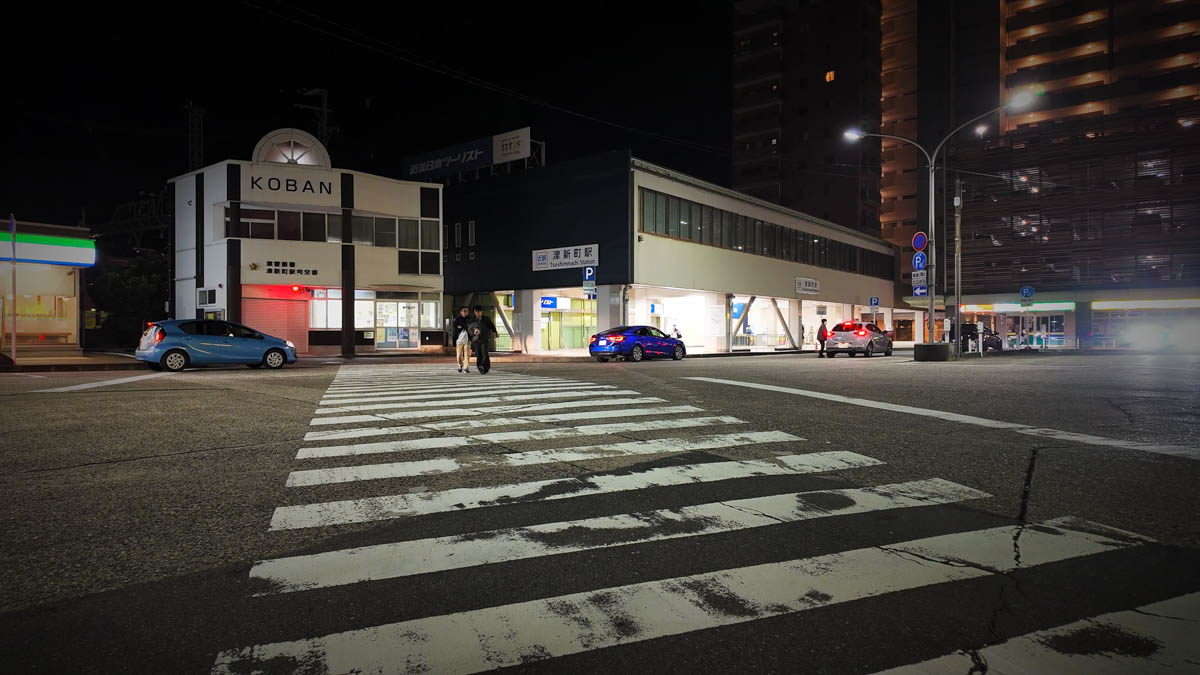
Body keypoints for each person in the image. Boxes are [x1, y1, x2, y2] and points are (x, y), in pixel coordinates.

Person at [468, 305, 498, 374]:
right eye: (476, 312)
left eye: (479, 312)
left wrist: (495, 332)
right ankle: (480, 367)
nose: (477, 313)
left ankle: (485, 366)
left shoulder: (486, 319)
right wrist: (473, 332)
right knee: (478, 354)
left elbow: (491, 326)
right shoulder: (472, 320)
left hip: (485, 338)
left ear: (481, 312)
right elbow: (469, 328)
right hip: (476, 340)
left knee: (485, 353)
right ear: (474, 312)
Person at [452, 306, 472, 373]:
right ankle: (460, 365)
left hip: (467, 339)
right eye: (464, 311)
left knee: (467, 354)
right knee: (459, 355)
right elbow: (455, 328)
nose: (465, 312)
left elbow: (471, 327)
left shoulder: (470, 319)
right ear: (461, 312)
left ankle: (466, 368)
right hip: (459, 340)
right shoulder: (457, 319)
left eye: (467, 311)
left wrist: (461, 327)